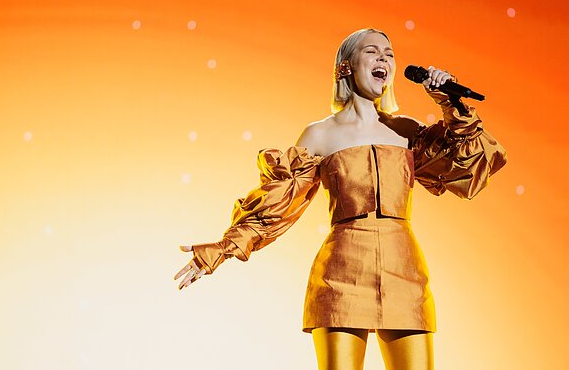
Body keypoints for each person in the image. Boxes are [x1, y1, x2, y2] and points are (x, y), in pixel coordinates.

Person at [174, 28, 507, 370]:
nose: (384, 58)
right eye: (372, 52)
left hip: (404, 271)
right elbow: (277, 204)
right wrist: (221, 250)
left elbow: (470, 160)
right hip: (340, 275)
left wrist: (450, 101)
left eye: (389, 54)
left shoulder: (407, 131)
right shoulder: (320, 134)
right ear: (346, 67)